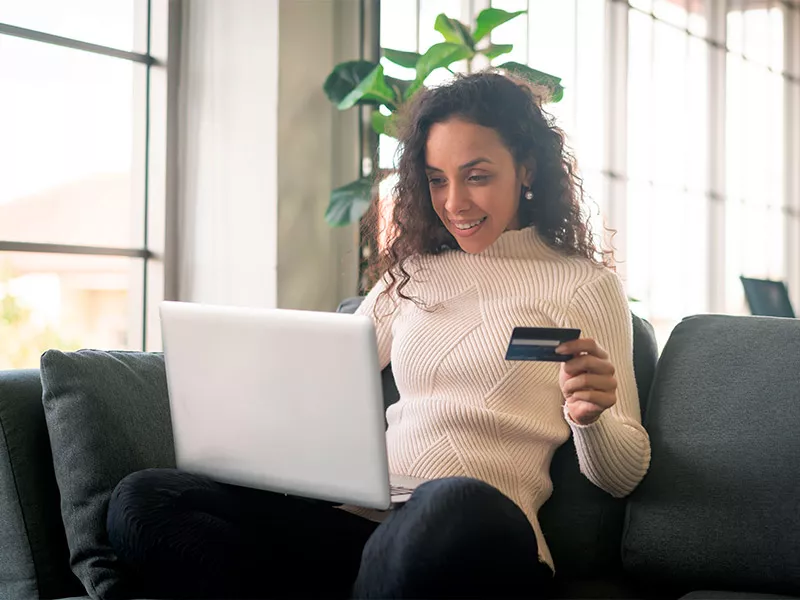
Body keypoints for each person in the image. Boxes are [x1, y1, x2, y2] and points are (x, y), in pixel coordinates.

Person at [107, 71, 651, 600]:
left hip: (477, 531)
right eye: (438, 179)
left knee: (451, 501)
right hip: (360, 525)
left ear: (527, 170)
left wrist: (592, 419)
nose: (454, 202)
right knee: (144, 499)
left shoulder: (584, 285)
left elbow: (621, 476)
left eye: (477, 175)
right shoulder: (412, 275)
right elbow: (323, 382)